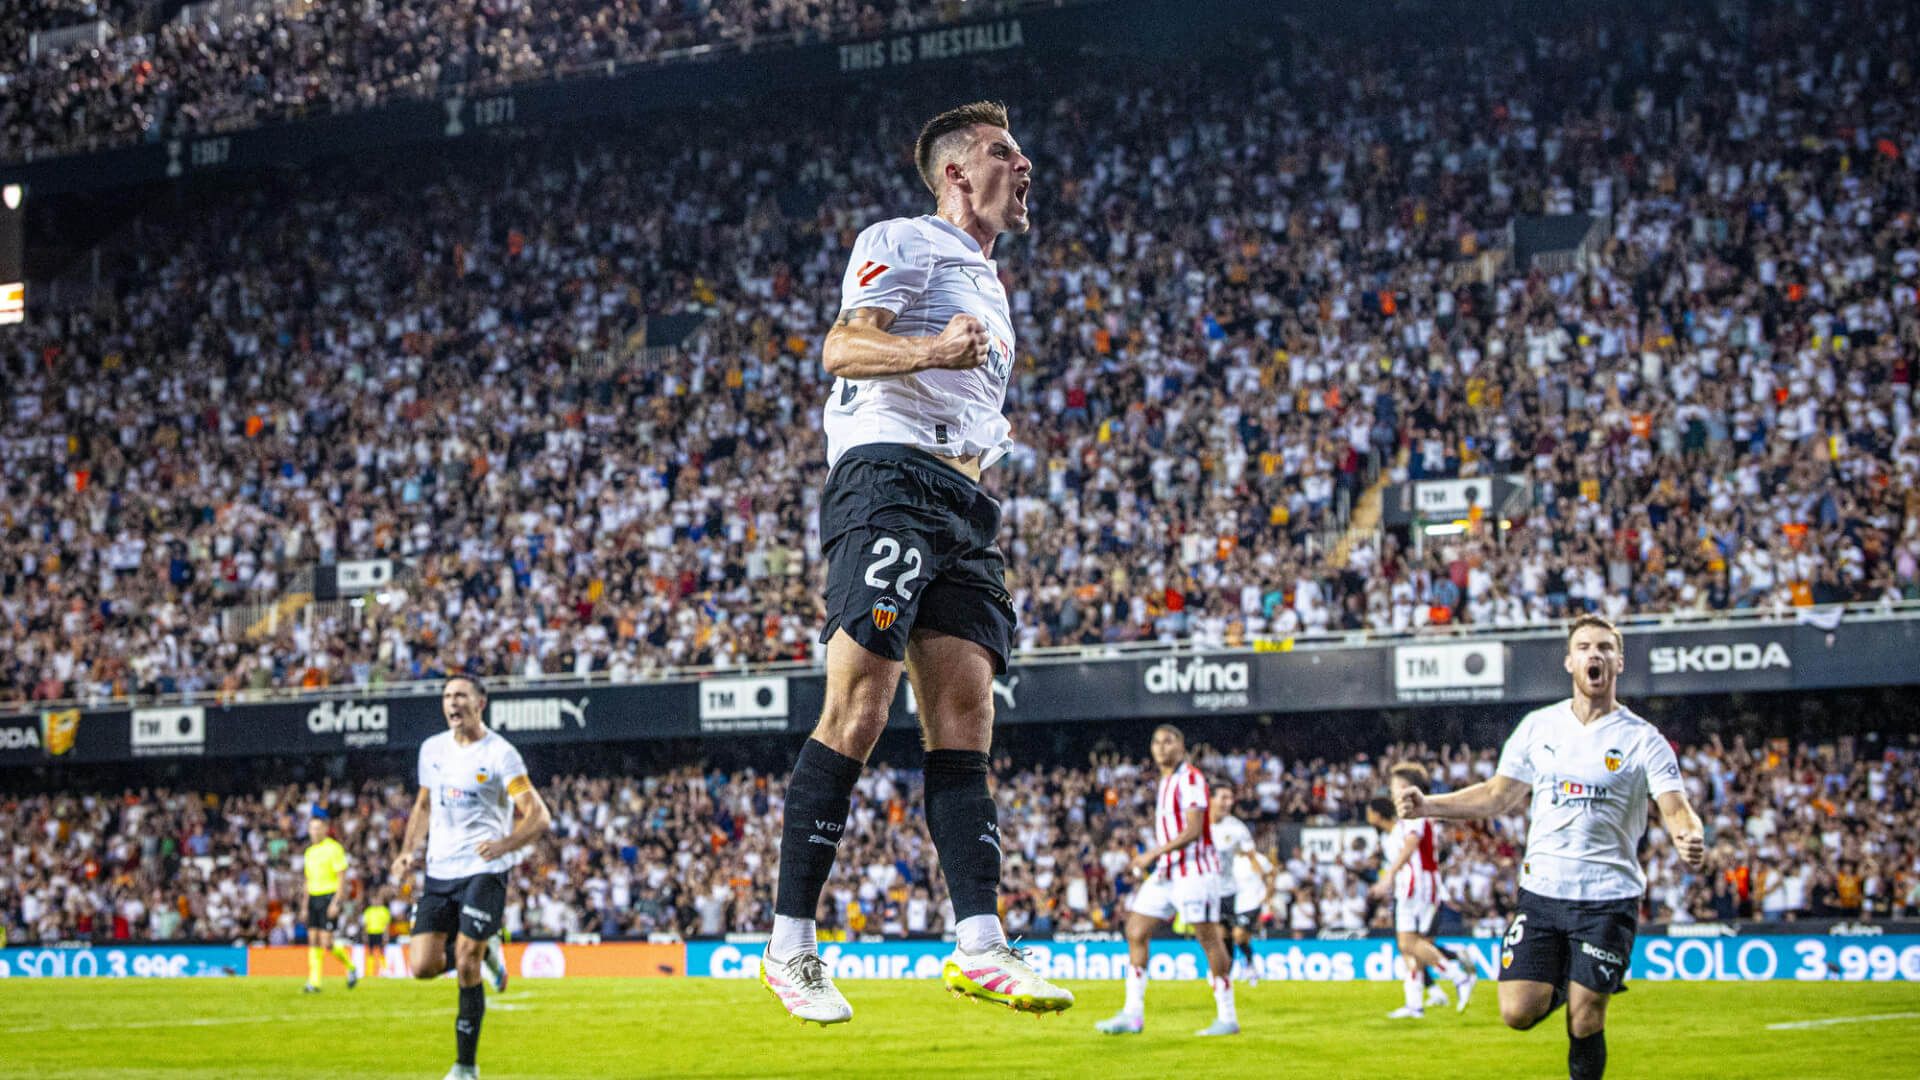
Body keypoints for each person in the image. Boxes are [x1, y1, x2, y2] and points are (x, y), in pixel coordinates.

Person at [761, 99, 1071, 1026]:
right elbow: (841, 346)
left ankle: (980, 946)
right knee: (859, 704)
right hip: (889, 477)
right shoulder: (904, 238)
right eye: (1001, 151)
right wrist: (932, 349)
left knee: (966, 715)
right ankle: (789, 949)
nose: (1023, 166)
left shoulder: (992, 285)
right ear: (954, 173)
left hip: (964, 505)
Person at [1397, 615, 1707, 1080]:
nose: (1594, 654)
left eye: (1604, 647)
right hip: (1542, 893)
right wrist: (1428, 805)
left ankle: (1586, 991)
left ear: (1618, 662)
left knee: (1585, 1017)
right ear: (1570, 661)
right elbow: (1498, 794)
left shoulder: (1643, 739)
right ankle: (1573, 976)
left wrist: (1688, 833)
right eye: (1584, 647)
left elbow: (1675, 805)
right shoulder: (1538, 726)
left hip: (1607, 897)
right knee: (1517, 1012)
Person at [392, 676, 553, 1080]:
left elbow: (539, 815)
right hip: (440, 871)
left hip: (484, 870)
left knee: (465, 961)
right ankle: (488, 950)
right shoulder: (432, 749)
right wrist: (408, 850)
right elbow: (424, 804)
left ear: (480, 702)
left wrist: (506, 844)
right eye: (447, 696)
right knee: (423, 966)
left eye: (460, 695)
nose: (453, 703)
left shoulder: (501, 755)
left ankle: (465, 1066)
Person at [1096, 725, 1238, 1037]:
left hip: (1195, 871)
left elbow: (1193, 830)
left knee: (1208, 938)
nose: (1162, 747)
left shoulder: (1190, 778)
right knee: (1135, 931)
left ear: (1181, 746)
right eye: (1157, 742)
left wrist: (1152, 854)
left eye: (1168, 741)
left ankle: (1227, 1017)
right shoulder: (1167, 781)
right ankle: (1133, 1015)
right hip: (1168, 872)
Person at [1366, 762, 1475, 1018]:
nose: (1392, 792)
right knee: (1407, 945)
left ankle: (1458, 976)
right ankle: (1415, 1004)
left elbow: (1412, 843)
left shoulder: (1415, 811)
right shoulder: (1412, 814)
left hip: (1418, 882)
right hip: (1412, 883)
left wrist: (1389, 876)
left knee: (1411, 943)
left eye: (1394, 786)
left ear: (1405, 787)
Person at [1208, 783, 1270, 986]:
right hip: (1207, 890)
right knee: (1220, 935)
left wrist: (1262, 894)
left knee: (1237, 935)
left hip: (1231, 892)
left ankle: (1231, 971)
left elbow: (1252, 857)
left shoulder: (1236, 827)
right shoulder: (1196, 824)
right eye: (1223, 798)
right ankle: (1224, 972)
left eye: (1230, 798)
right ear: (1210, 799)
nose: (1229, 803)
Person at [298, 812, 359, 993]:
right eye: (312, 828)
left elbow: (342, 878)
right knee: (313, 939)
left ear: (325, 829)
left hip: (328, 897)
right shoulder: (309, 852)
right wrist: (304, 906)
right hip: (313, 898)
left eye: (318, 828)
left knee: (327, 942)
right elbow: (308, 881)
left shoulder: (334, 848)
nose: (314, 832)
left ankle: (351, 967)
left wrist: (336, 902)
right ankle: (314, 982)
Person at [362, 889, 392, 979]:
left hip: (380, 933)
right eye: (374, 899)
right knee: (370, 952)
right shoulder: (368, 911)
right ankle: (369, 972)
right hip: (371, 933)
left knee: (382, 952)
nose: (375, 901)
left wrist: (385, 935)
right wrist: (365, 935)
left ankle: (384, 971)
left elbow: (387, 925)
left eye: (377, 899)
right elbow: (365, 925)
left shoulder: (384, 910)